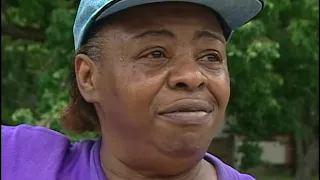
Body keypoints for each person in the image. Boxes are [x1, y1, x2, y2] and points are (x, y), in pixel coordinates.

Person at [2, 0, 264, 179]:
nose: (192, 76)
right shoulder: (21, 161)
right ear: (89, 77)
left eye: (210, 57)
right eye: (156, 53)